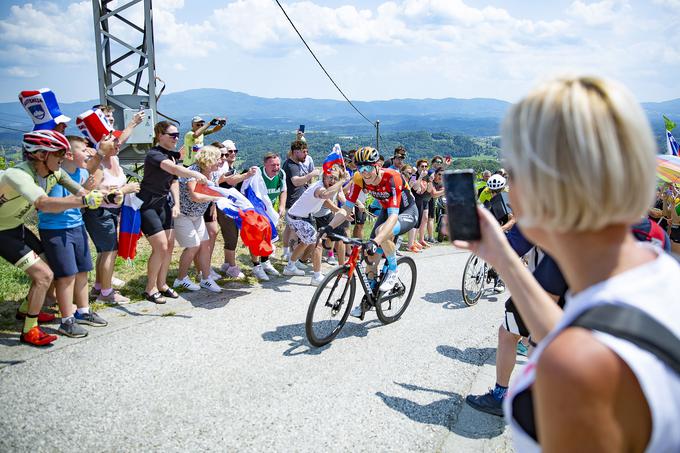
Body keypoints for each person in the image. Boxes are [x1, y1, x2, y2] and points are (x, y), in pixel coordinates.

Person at [454, 76, 680, 451]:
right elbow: (575, 326)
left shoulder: (575, 370)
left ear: (542, 187)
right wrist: (501, 257)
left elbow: (576, 347)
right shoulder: (658, 267)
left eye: (512, 174)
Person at [0, 131, 103, 346]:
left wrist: (108, 195)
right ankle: (30, 329)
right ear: (39, 155)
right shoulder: (17, 175)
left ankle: (26, 308)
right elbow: (44, 204)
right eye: (59, 153)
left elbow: (80, 191)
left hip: (14, 225)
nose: (63, 157)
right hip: (1, 231)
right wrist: (84, 201)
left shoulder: (54, 173)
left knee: (47, 260)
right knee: (44, 275)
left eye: (65, 152)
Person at [326, 147, 419, 316]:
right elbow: (346, 208)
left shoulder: (392, 177)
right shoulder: (359, 178)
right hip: (387, 211)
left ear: (377, 166)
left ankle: (393, 268)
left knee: (381, 231)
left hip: (406, 212)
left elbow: (393, 218)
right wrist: (328, 227)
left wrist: (376, 240)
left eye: (368, 167)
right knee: (370, 259)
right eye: (360, 168)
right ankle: (369, 298)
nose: (364, 172)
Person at [38, 135, 111, 338]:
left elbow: (87, 189)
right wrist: (84, 199)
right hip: (55, 230)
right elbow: (50, 206)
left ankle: (83, 311)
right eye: (83, 150)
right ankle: (66, 320)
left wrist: (104, 194)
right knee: (66, 275)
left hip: (77, 226)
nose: (88, 153)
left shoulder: (79, 173)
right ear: (69, 154)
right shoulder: (52, 175)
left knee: (82, 271)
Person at [138, 121, 208, 304]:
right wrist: (195, 174)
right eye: (172, 135)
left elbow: (173, 180)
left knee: (169, 246)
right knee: (160, 246)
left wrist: (176, 203)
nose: (176, 138)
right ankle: (150, 288)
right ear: (160, 135)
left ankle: (161, 284)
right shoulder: (155, 155)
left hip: (164, 205)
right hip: (148, 205)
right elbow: (174, 169)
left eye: (178, 134)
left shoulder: (170, 155)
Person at [83, 133, 140, 304]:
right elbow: (91, 193)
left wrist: (134, 123)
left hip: (112, 212)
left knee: (104, 251)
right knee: (110, 251)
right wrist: (124, 190)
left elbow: (122, 137)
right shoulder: (96, 164)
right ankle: (106, 294)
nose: (118, 144)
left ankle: (99, 287)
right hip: (100, 212)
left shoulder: (113, 159)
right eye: (114, 141)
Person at [283, 164, 348, 286]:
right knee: (317, 243)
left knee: (306, 242)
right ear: (324, 176)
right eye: (330, 177)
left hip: (301, 217)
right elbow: (325, 195)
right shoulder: (319, 188)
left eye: (335, 179)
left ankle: (290, 267)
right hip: (297, 218)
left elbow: (326, 201)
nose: (332, 181)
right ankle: (316, 277)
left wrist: (339, 211)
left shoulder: (323, 186)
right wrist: (342, 181)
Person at [173, 145, 223, 293]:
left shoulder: (213, 174)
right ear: (209, 159)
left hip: (197, 215)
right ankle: (180, 279)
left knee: (205, 245)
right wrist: (216, 198)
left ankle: (206, 278)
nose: (220, 161)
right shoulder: (193, 172)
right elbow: (195, 196)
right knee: (193, 246)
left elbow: (215, 191)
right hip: (184, 214)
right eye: (217, 158)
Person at [215, 139, 258, 279]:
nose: (232, 154)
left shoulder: (226, 165)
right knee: (231, 235)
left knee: (232, 234)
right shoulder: (223, 166)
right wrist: (247, 175)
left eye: (235, 151)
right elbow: (230, 181)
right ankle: (232, 267)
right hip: (223, 204)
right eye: (229, 152)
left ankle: (228, 264)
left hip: (226, 203)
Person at [282, 140, 319, 260]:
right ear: (295, 152)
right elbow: (296, 181)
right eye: (304, 152)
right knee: (294, 230)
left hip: (295, 202)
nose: (306, 155)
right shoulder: (291, 165)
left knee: (290, 228)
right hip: (293, 202)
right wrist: (311, 174)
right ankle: (293, 257)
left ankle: (288, 253)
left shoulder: (295, 164)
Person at [251, 152, 286, 281]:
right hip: (257, 211)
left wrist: (282, 205)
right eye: (272, 165)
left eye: (278, 164)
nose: (276, 167)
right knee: (256, 239)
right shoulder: (257, 174)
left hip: (271, 211)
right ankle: (256, 266)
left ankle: (265, 262)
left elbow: (283, 190)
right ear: (265, 164)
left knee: (268, 238)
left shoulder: (281, 174)